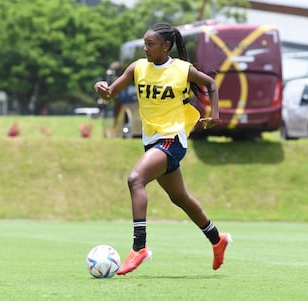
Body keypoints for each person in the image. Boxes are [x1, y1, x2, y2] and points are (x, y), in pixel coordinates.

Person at [94, 22, 232, 275]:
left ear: (166, 47)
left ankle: (139, 248)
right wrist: (101, 88)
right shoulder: (137, 68)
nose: (145, 49)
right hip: (152, 142)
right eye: (144, 44)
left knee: (135, 179)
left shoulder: (181, 69)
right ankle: (217, 239)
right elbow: (109, 94)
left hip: (172, 140)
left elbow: (212, 84)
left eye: (150, 44)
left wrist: (214, 114)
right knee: (179, 198)